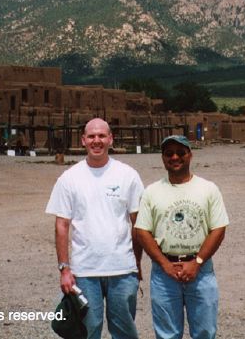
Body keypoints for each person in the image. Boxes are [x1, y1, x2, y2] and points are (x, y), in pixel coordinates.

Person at [45, 118, 145, 339]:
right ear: (83, 140)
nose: (96, 141)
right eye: (91, 136)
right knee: (89, 331)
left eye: (101, 136)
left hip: (122, 270)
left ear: (111, 139)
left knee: (125, 331)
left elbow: (138, 224)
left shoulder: (128, 175)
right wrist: (64, 269)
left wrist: (136, 263)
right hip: (85, 271)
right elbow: (62, 225)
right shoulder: (69, 178)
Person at [135, 135, 229, 339]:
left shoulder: (208, 189)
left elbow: (218, 229)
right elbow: (143, 231)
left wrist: (197, 262)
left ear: (190, 155)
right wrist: (164, 264)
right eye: (169, 153)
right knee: (167, 334)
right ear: (163, 158)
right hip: (164, 273)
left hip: (201, 271)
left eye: (180, 152)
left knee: (205, 331)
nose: (175, 157)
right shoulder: (152, 192)